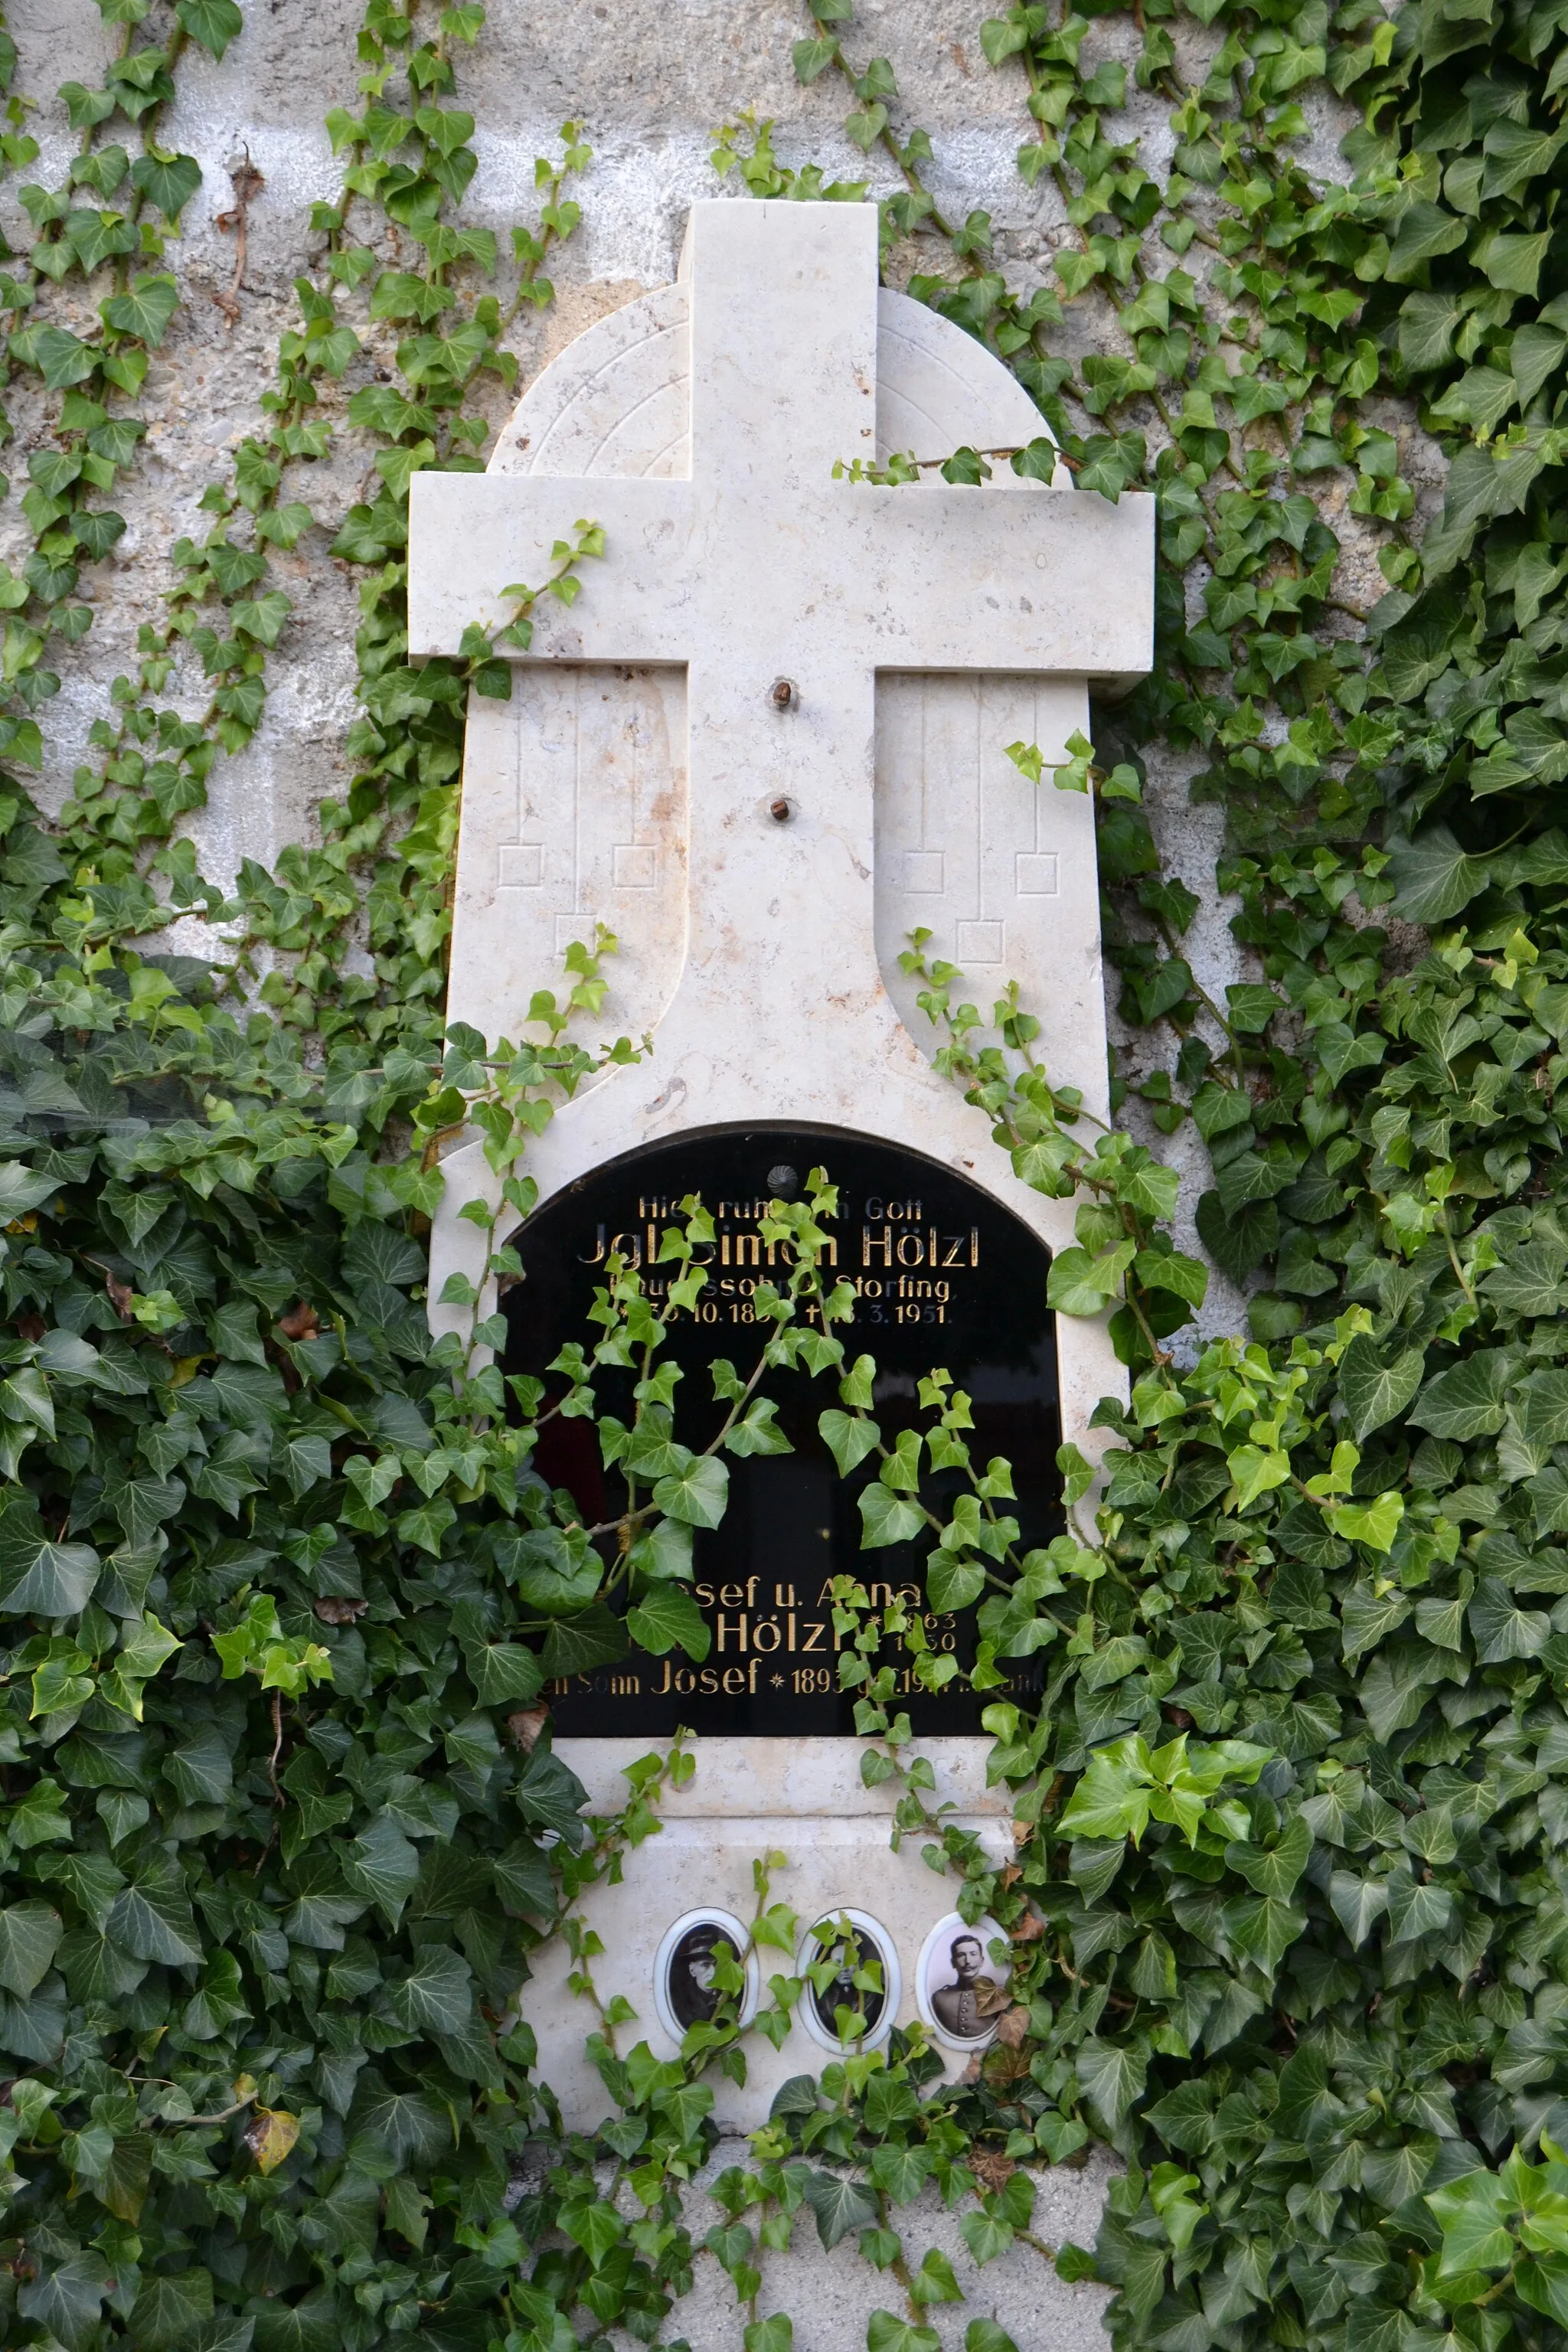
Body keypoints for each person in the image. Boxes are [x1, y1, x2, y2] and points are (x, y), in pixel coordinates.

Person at [929, 1931, 1006, 2039]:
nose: (968, 1961)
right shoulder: (939, 1998)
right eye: (961, 1955)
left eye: (973, 1954)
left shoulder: (997, 1997)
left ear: (982, 1961)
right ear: (953, 1962)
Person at [668, 1922, 728, 2029]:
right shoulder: (682, 2003)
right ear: (692, 1970)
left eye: (716, 1964)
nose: (713, 1972)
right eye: (706, 1965)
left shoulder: (728, 1994)